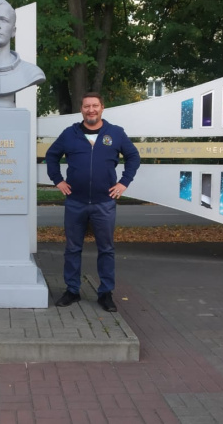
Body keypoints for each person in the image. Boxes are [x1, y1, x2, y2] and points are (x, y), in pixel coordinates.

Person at [45, 93, 141, 312]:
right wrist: (58, 180)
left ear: (102, 108)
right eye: (87, 106)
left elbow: (133, 157)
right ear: (81, 109)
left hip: (104, 203)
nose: (91, 110)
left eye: (95, 105)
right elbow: (51, 156)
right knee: (72, 248)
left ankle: (105, 293)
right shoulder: (70, 134)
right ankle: (72, 290)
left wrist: (124, 183)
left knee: (106, 249)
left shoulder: (115, 133)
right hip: (75, 202)